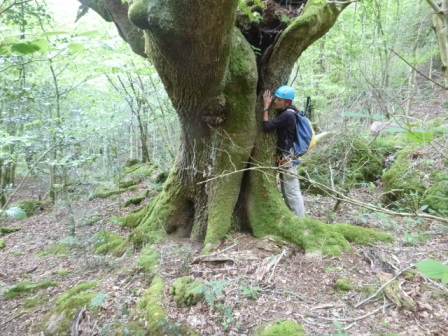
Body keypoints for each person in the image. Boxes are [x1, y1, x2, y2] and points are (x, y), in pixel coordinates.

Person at [262, 85, 306, 218]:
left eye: (279, 100)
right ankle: (295, 217)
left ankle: (300, 220)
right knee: (287, 190)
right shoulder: (289, 112)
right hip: (287, 156)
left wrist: (265, 106)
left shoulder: (287, 115)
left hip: (287, 158)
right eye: (275, 99)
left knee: (292, 191)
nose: (275, 101)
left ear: (287, 102)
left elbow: (266, 126)